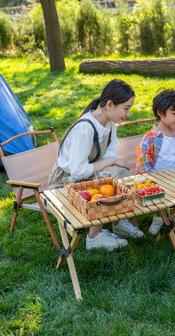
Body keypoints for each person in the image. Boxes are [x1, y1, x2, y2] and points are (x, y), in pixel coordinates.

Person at [47, 79, 144, 251]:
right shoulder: (85, 128)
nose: (128, 114)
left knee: (119, 171)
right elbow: (78, 171)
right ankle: (94, 237)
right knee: (111, 174)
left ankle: (118, 221)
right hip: (64, 182)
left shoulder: (109, 123)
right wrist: (110, 163)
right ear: (110, 104)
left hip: (85, 174)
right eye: (126, 108)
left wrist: (111, 163)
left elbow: (111, 152)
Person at [136, 89, 175, 235]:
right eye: (174, 114)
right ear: (161, 113)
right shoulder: (150, 138)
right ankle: (159, 216)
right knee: (158, 195)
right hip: (156, 182)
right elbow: (143, 166)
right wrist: (157, 181)